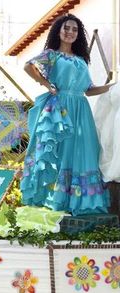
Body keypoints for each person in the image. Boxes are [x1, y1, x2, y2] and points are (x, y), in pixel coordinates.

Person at [20, 14, 116, 216]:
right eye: (66, 28)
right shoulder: (51, 55)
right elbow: (28, 66)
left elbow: (88, 90)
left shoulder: (81, 60)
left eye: (74, 29)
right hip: (59, 111)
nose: (70, 32)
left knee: (83, 152)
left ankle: (81, 201)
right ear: (58, 31)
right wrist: (47, 84)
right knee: (60, 152)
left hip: (81, 111)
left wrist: (111, 88)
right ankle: (56, 200)